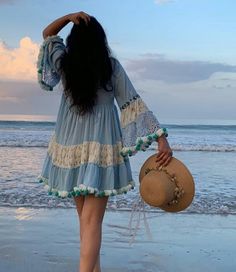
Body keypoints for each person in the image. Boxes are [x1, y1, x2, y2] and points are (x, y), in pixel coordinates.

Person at [36, 11, 173, 272]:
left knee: (85, 221)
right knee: (91, 221)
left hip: (70, 147)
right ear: (101, 40)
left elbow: (48, 35)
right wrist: (161, 139)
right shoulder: (109, 67)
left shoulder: (66, 64)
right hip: (101, 147)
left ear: (74, 41)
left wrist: (69, 17)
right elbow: (133, 103)